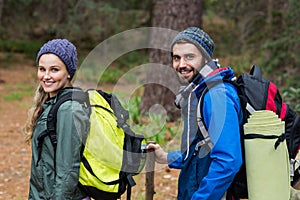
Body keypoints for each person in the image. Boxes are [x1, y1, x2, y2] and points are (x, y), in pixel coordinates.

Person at [147, 27, 243, 200]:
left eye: (189, 57)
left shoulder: (216, 96)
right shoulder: (200, 91)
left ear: (205, 58)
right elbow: (200, 149)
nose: (181, 64)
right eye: (177, 58)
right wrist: (167, 157)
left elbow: (228, 161)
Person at [24, 39, 90, 199]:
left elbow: (67, 170)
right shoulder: (51, 104)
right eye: (42, 69)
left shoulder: (69, 109)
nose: (46, 76)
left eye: (54, 70)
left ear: (68, 72)